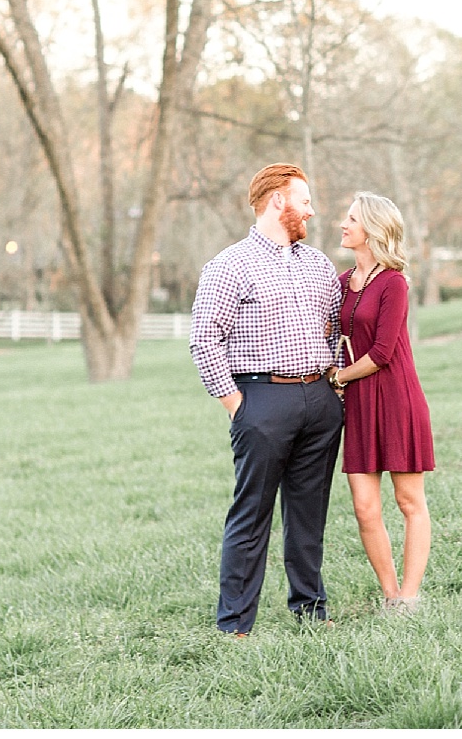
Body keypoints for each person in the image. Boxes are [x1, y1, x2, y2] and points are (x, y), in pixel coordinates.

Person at [189, 163, 343, 637]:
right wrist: (236, 404)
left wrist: (331, 388)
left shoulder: (318, 264)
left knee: (309, 512)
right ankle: (235, 623)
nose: (312, 211)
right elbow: (204, 339)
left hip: (319, 400)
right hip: (260, 399)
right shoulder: (229, 266)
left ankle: (309, 610)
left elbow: (335, 327)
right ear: (279, 201)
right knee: (251, 513)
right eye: (305, 200)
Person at [329, 192, 436, 611]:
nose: (344, 225)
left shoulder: (394, 283)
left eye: (351, 219)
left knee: (409, 502)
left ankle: (409, 598)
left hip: (396, 398)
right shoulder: (342, 283)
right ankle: (390, 595)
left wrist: (337, 376)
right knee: (364, 507)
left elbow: (382, 353)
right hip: (357, 403)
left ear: (372, 229)